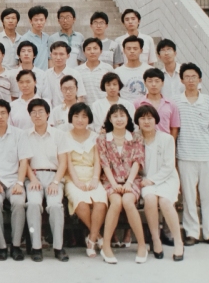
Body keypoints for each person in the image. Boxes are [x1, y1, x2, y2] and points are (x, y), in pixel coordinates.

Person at [175, 63, 209, 247]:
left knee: (208, 196)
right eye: (187, 77)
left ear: (199, 79)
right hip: (185, 155)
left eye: (194, 76)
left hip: (206, 155)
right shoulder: (177, 102)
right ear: (182, 80)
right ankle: (192, 232)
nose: (190, 80)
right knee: (189, 196)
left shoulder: (208, 101)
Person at [96, 104, 147, 264]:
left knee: (127, 201)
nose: (119, 119)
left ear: (127, 118)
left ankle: (141, 245)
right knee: (116, 201)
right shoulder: (102, 139)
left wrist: (129, 183)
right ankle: (106, 246)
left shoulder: (136, 137)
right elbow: (104, 164)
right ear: (110, 119)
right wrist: (114, 184)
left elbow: (137, 161)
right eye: (115, 116)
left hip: (131, 180)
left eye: (122, 115)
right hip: (110, 181)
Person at [0, 99, 32, 261]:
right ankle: (2, 246)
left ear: (8, 114)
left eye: (3, 113)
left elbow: (23, 161)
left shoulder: (19, 134)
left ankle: (16, 246)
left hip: (14, 180)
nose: (0, 116)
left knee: (18, 202)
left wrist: (19, 183)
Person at [135, 105, 184, 261]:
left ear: (156, 120)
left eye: (150, 118)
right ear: (137, 121)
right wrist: (144, 180)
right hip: (145, 180)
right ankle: (156, 239)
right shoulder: (135, 139)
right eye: (142, 118)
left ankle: (178, 241)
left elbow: (169, 166)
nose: (146, 121)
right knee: (150, 199)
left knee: (165, 202)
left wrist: (153, 180)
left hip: (167, 178)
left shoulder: (166, 138)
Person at [24, 98, 70, 262]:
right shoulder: (25, 135)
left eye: (40, 112)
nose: (37, 115)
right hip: (33, 177)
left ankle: (58, 247)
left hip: (53, 176)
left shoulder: (59, 135)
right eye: (33, 112)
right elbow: (23, 161)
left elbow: (63, 162)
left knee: (55, 205)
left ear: (48, 114)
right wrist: (32, 179)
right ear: (30, 115)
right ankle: (36, 247)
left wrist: (55, 182)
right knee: (33, 204)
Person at [63, 103, 107, 258]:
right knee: (81, 202)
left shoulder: (95, 137)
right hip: (73, 178)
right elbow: (67, 163)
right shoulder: (64, 137)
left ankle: (91, 240)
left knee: (100, 202)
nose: (80, 120)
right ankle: (98, 237)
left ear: (89, 119)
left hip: (92, 175)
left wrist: (95, 179)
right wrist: (77, 182)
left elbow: (98, 161)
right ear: (71, 118)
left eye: (84, 116)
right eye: (76, 116)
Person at [134, 68, 180, 139]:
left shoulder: (171, 104)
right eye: (150, 81)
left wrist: (170, 143)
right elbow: (135, 125)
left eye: (157, 81)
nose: (153, 84)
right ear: (145, 83)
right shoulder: (138, 103)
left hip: (164, 142)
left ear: (162, 83)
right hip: (144, 142)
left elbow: (174, 128)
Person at [45, 42, 87, 107]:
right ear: (51, 55)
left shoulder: (75, 74)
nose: (58, 57)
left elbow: (80, 96)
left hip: (70, 111)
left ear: (68, 56)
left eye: (61, 54)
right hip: (51, 112)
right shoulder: (46, 74)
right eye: (55, 54)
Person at [114, 35, 152, 103]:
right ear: (124, 51)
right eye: (128, 49)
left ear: (141, 50)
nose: (132, 51)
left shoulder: (150, 70)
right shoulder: (117, 72)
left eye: (135, 49)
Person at [77, 38, 114, 106]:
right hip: (85, 108)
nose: (92, 52)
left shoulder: (108, 68)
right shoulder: (77, 71)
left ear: (101, 51)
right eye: (88, 49)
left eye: (95, 48)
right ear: (84, 52)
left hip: (104, 107)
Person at [17, 6, 50, 71]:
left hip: (44, 74)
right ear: (30, 21)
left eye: (41, 20)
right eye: (36, 20)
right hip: (31, 73)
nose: (39, 23)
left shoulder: (47, 37)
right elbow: (20, 61)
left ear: (45, 20)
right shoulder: (25, 38)